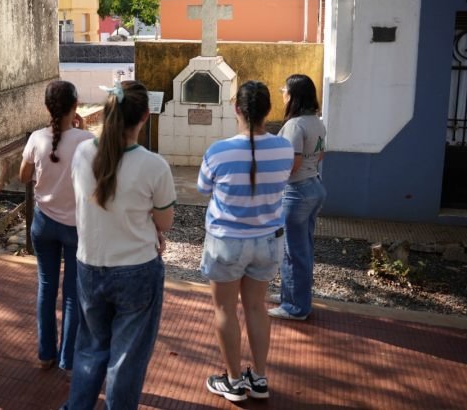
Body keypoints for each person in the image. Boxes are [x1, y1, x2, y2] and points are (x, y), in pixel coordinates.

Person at [64, 80, 176, 410]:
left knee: (89, 348)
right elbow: (165, 223)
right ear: (145, 116)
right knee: (126, 359)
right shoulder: (154, 166)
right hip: (137, 270)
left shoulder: (83, 152)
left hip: (89, 265)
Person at [197, 80, 293, 402]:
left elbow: (202, 189)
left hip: (226, 241)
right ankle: (260, 378)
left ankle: (234, 381)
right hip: (268, 241)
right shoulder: (284, 148)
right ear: (269, 110)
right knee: (257, 307)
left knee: (225, 309)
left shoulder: (218, 151)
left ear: (236, 109)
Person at [19, 80, 92, 373]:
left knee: (46, 287)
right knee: (73, 293)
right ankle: (67, 358)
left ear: (48, 107)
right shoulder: (87, 141)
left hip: (43, 223)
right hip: (76, 227)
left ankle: (45, 353)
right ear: (75, 107)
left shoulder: (37, 138)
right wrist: (83, 128)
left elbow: (24, 175)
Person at [268, 74, 327, 321]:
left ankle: (295, 307)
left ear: (293, 95)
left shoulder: (295, 125)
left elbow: (292, 163)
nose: (282, 95)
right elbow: (321, 155)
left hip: (295, 192)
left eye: (285, 91)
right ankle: (292, 296)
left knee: (293, 251)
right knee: (304, 249)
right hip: (313, 186)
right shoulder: (317, 122)